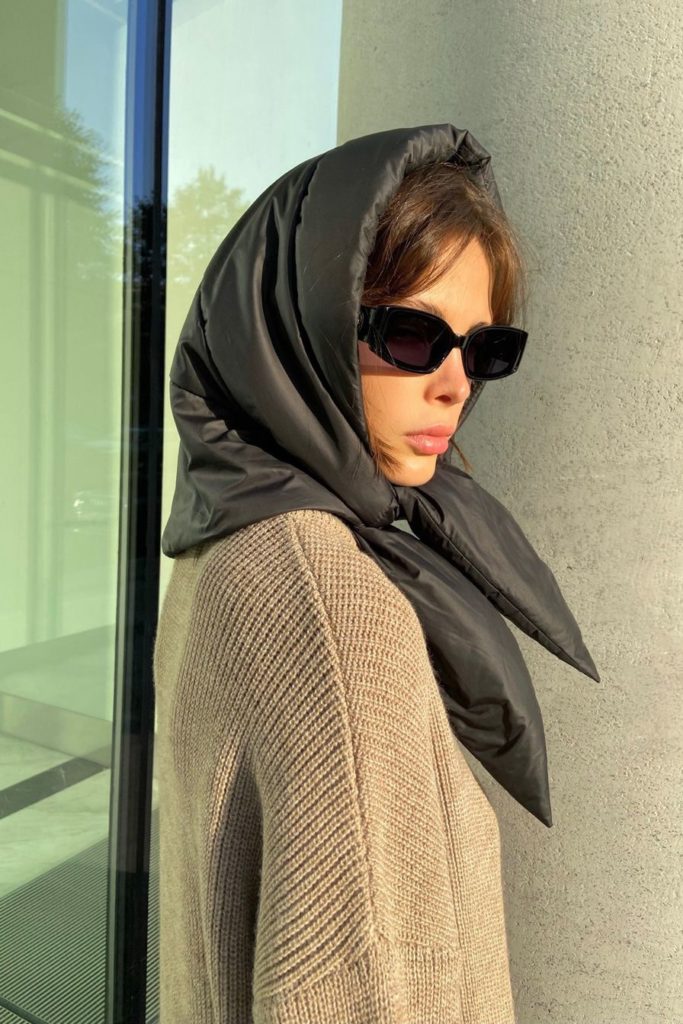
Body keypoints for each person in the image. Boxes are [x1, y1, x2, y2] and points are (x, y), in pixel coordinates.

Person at [153, 123, 599, 1023]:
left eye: (484, 348)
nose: (455, 384)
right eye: (409, 335)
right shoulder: (332, 613)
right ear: (292, 329)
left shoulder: (227, 537)